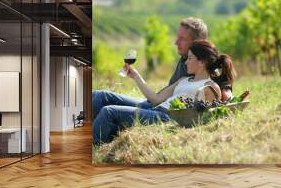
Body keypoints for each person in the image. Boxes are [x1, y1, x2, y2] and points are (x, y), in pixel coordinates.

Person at [92, 40, 236, 144]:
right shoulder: (184, 80)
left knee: (108, 111)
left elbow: (202, 115)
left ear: (202, 62)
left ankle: (96, 145)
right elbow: (156, 98)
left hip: (167, 118)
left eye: (190, 58)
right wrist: (136, 76)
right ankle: (96, 129)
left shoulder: (210, 86)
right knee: (101, 95)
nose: (185, 62)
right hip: (154, 108)